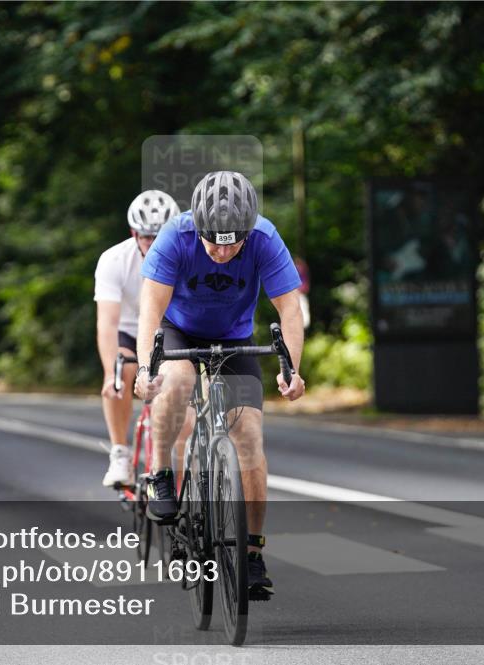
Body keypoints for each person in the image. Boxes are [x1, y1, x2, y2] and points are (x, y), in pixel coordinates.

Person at [134, 171, 306, 599]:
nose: (224, 251)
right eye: (214, 243)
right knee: (176, 380)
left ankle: (252, 553)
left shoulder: (264, 238)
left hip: (234, 337)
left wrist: (291, 368)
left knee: (248, 437)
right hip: (178, 330)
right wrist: (145, 370)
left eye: (234, 243)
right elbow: (150, 310)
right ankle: (160, 472)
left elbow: (289, 309)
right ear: (198, 228)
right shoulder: (175, 237)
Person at [95, 190, 183, 487]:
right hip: (129, 330)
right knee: (122, 372)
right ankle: (120, 452)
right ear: (134, 234)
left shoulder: (185, 256)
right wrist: (110, 374)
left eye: (161, 236)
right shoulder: (114, 260)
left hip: (169, 329)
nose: (155, 244)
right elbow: (107, 323)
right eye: (147, 237)